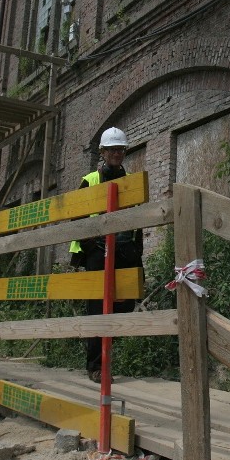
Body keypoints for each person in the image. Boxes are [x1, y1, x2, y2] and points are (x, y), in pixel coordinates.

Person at [69, 127, 143, 383]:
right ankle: (95, 366)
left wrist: (138, 255)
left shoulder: (131, 181)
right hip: (97, 252)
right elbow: (75, 217)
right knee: (97, 308)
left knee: (124, 305)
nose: (116, 153)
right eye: (112, 149)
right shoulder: (89, 180)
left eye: (120, 149)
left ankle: (108, 357)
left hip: (125, 251)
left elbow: (138, 220)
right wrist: (89, 246)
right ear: (102, 152)